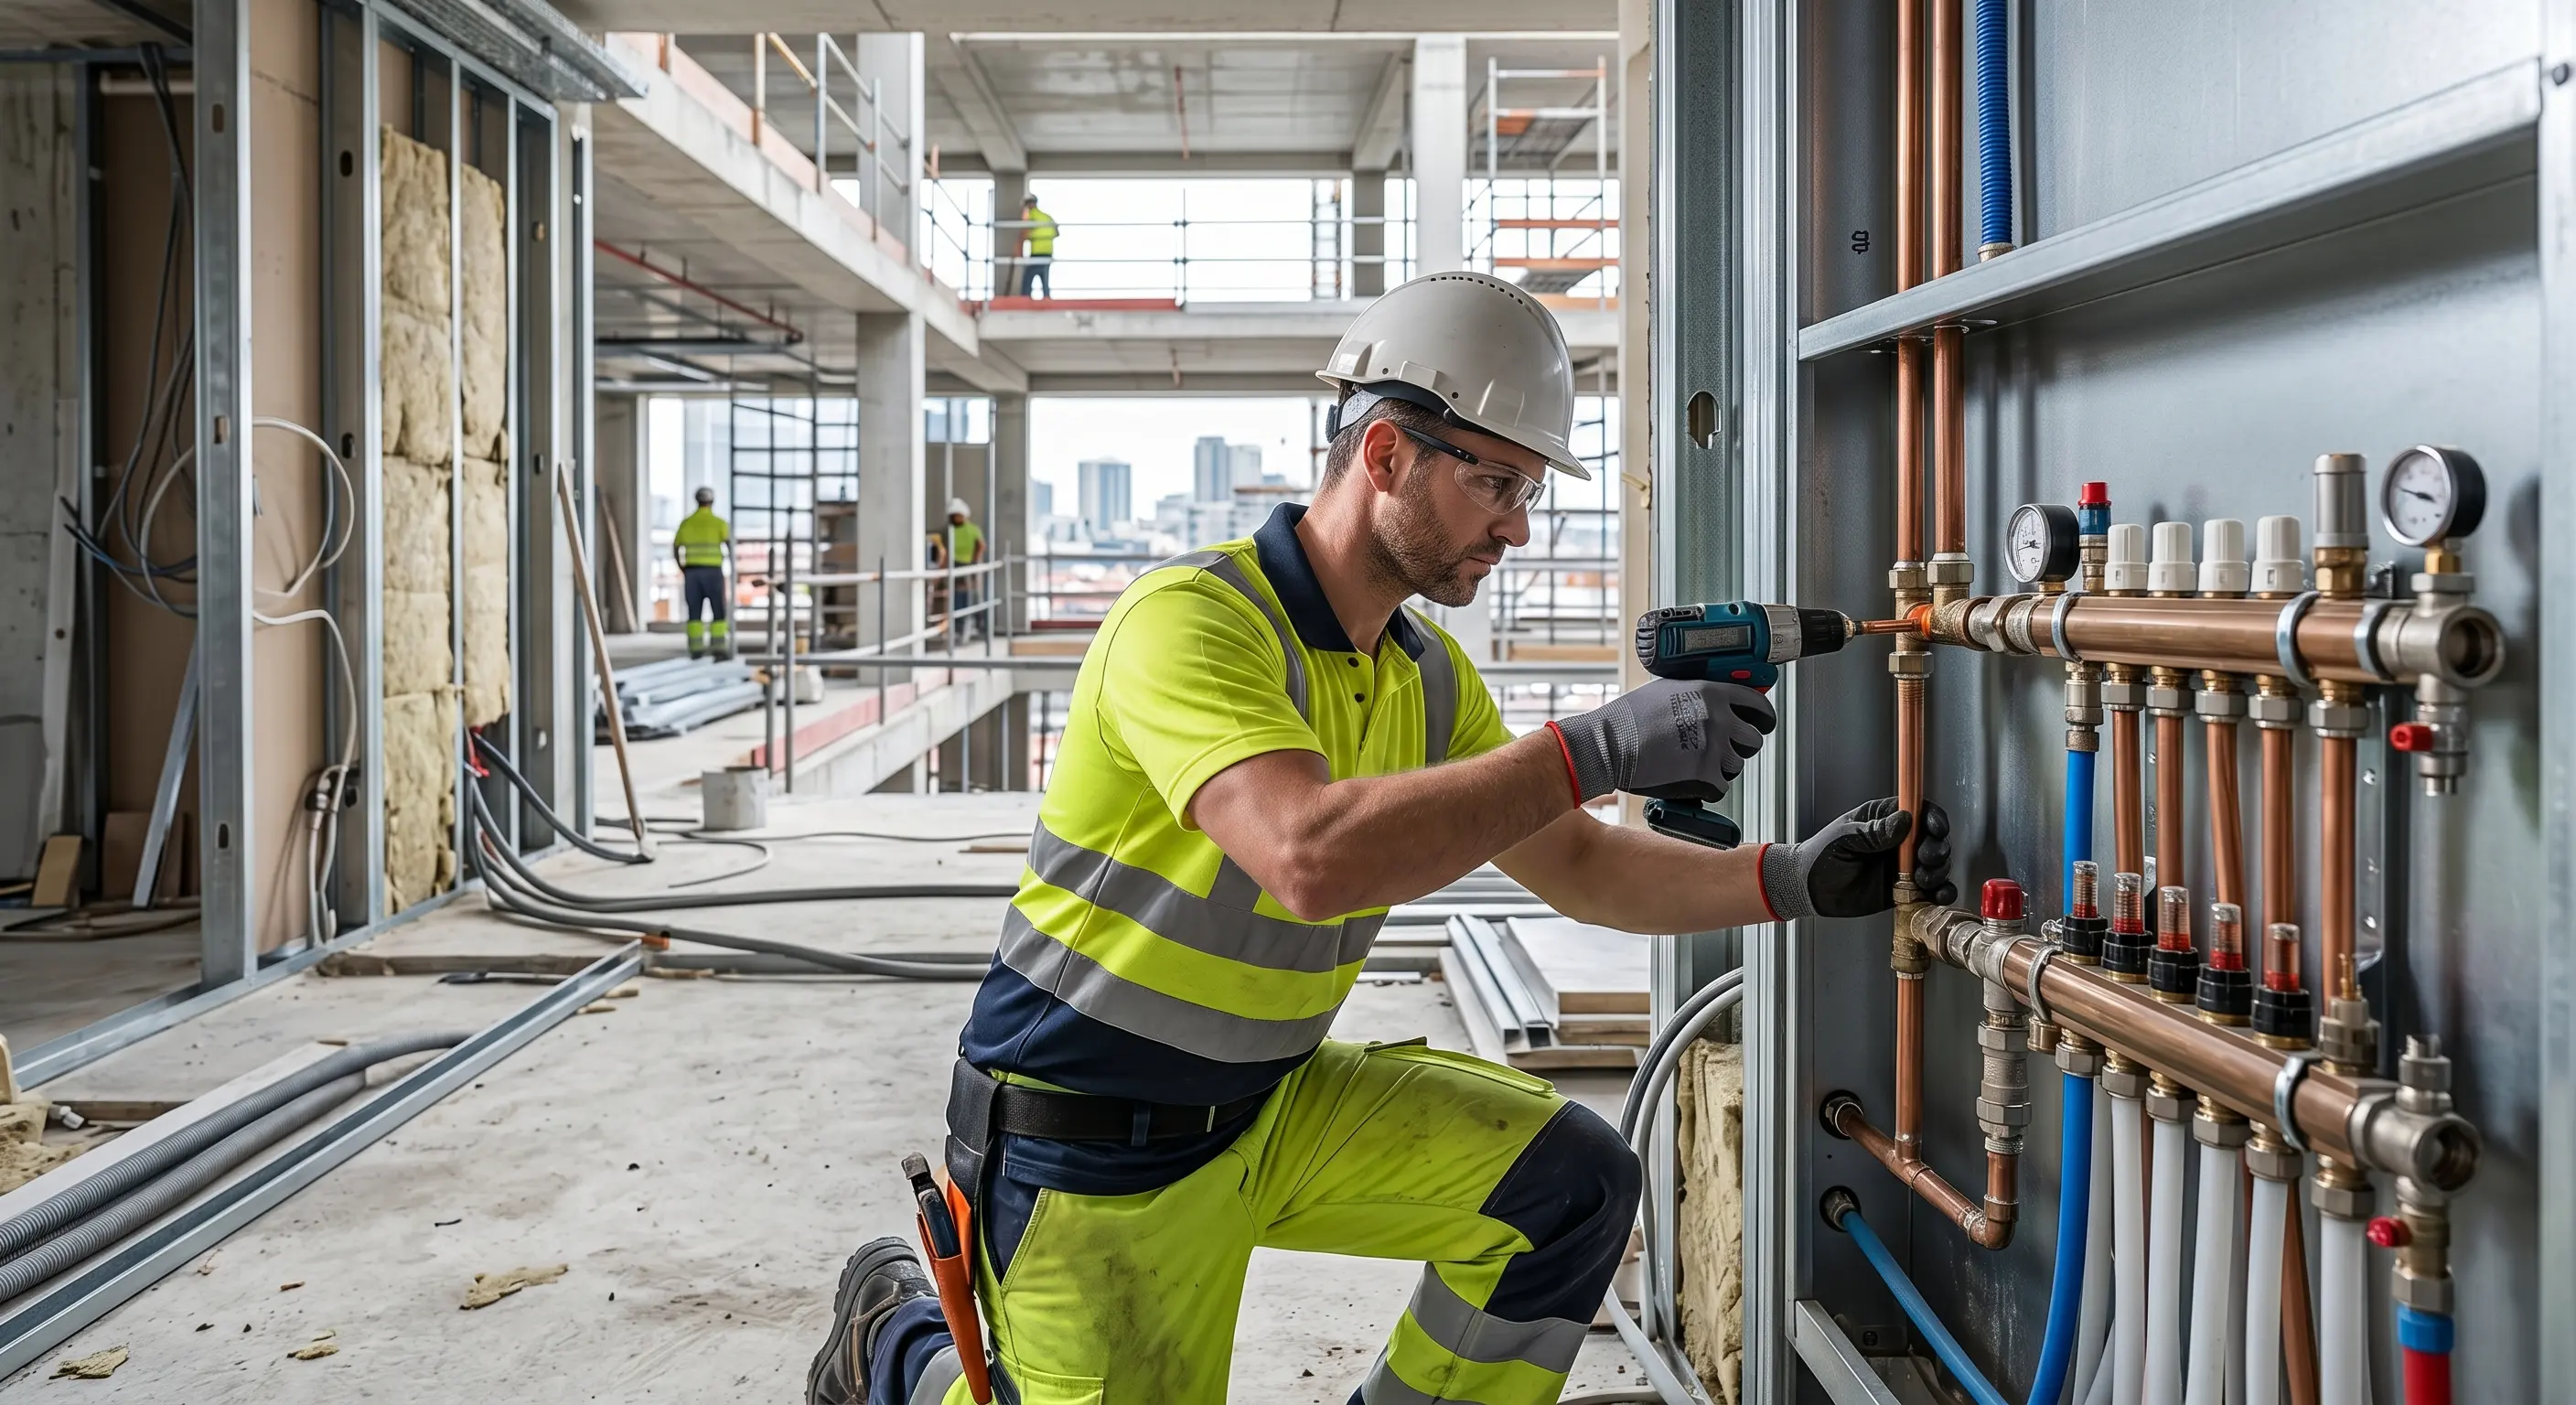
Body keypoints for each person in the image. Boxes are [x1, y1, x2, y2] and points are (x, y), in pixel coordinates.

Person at [804, 271, 1951, 1405]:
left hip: (1274, 1102)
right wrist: (1593, 746)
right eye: (1495, 482)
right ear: (1386, 455)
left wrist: (1784, 880)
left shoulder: (1424, 676)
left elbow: (1580, 862)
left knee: (1569, 1184)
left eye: (1529, 490)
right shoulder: (1191, 623)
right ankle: (899, 1345)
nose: (1514, 525)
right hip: (1092, 1143)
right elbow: (1305, 855)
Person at [672, 485, 732, 660]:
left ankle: (696, 648)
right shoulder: (719, 523)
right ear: (712, 501)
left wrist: (681, 567)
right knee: (718, 610)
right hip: (713, 572)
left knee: (694, 610)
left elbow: (676, 547)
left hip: (692, 572)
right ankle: (718, 646)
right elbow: (729, 545)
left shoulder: (687, 523)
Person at [941, 498, 988, 642]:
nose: (956, 518)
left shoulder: (972, 529)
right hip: (954, 565)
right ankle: (958, 626)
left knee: (969, 597)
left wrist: (974, 560)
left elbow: (981, 546)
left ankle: (971, 625)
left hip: (967, 566)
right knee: (957, 597)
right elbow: (945, 550)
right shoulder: (949, 530)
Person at [1016, 194, 1056, 298]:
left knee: (1028, 278)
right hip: (1048, 251)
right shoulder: (1047, 217)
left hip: (1037, 252)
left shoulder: (1030, 215)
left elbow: (1024, 232)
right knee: (1044, 276)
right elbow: (1056, 232)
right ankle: (1046, 297)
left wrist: (1020, 248)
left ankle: (1024, 299)